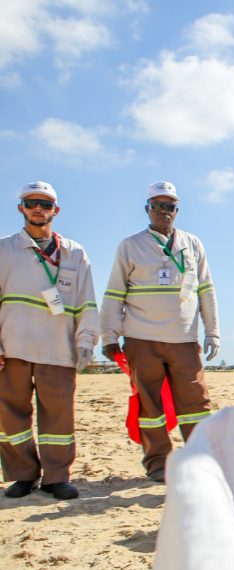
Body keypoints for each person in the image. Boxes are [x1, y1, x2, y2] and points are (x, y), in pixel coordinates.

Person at [101, 181, 220, 483]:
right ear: (148, 209)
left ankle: (199, 458)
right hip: (141, 338)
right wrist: (109, 336)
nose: (164, 211)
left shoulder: (193, 243)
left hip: (184, 338)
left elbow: (206, 290)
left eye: (170, 206)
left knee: (196, 403)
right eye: (158, 205)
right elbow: (114, 293)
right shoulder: (130, 245)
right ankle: (158, 463)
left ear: (177, 211)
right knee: (149, 404)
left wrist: (213, 332)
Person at [0, 182, 96, 500]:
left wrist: (86, 341)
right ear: (21, 208)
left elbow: (86, 301)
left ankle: (57, 477)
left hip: (58, 349)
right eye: (31, 203)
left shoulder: (75, 252)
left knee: (58, 416)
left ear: (56, 210)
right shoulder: (4, 250)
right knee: (10, 415)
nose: (38, 208)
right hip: (12, 349)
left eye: (45, 203)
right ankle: (23, 474)